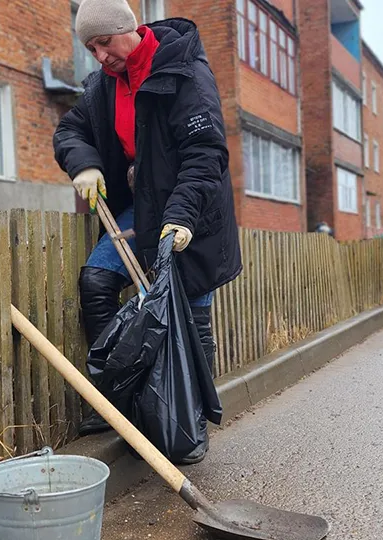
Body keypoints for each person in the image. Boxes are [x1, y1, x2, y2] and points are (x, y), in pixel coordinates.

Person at [53, 0, 241, 465]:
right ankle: (115, 402)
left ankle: (189, 419)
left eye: (103, 43)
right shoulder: (102, 87)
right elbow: (69, 131)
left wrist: (181, 215)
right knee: (96, 280)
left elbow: (206, 154)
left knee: (189, 307)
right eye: (90, 48)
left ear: (128, 29)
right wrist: (85, 164)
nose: (99, 56)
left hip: (190, 207)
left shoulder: (183, 72)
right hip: (142, 208)